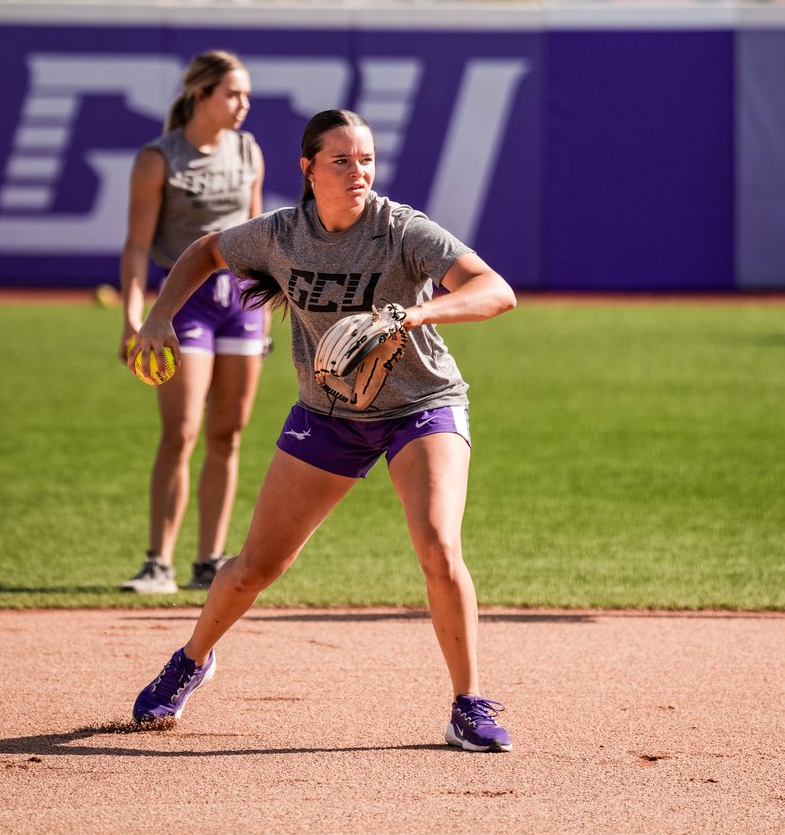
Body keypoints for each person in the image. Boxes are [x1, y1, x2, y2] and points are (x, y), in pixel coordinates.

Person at [126, 108, 518, 751]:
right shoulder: (282, 235)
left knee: (438, 546)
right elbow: (204, 251)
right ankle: (192, 659)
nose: (358, 171)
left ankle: (468, 703)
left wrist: (413, 316)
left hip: (421, 403)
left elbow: (494, 289)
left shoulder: (401, 230)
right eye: (342, 160)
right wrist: (158, 316)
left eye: (366, 158)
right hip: (328, 414)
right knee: (255, 567)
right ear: (308, 170)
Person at [118, 50, 267, 595]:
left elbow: (257, 240)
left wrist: (267, 316)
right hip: (185, 306)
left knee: (227, 434)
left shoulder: (248, 150)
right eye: (232, 93)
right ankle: (158, 562)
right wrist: (134, 317)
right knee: (181, 432)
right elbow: (136, 245)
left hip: (241, 305)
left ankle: (209, 560)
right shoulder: (160, 158)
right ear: (201, 94)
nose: (243, 104)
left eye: (246, 94)